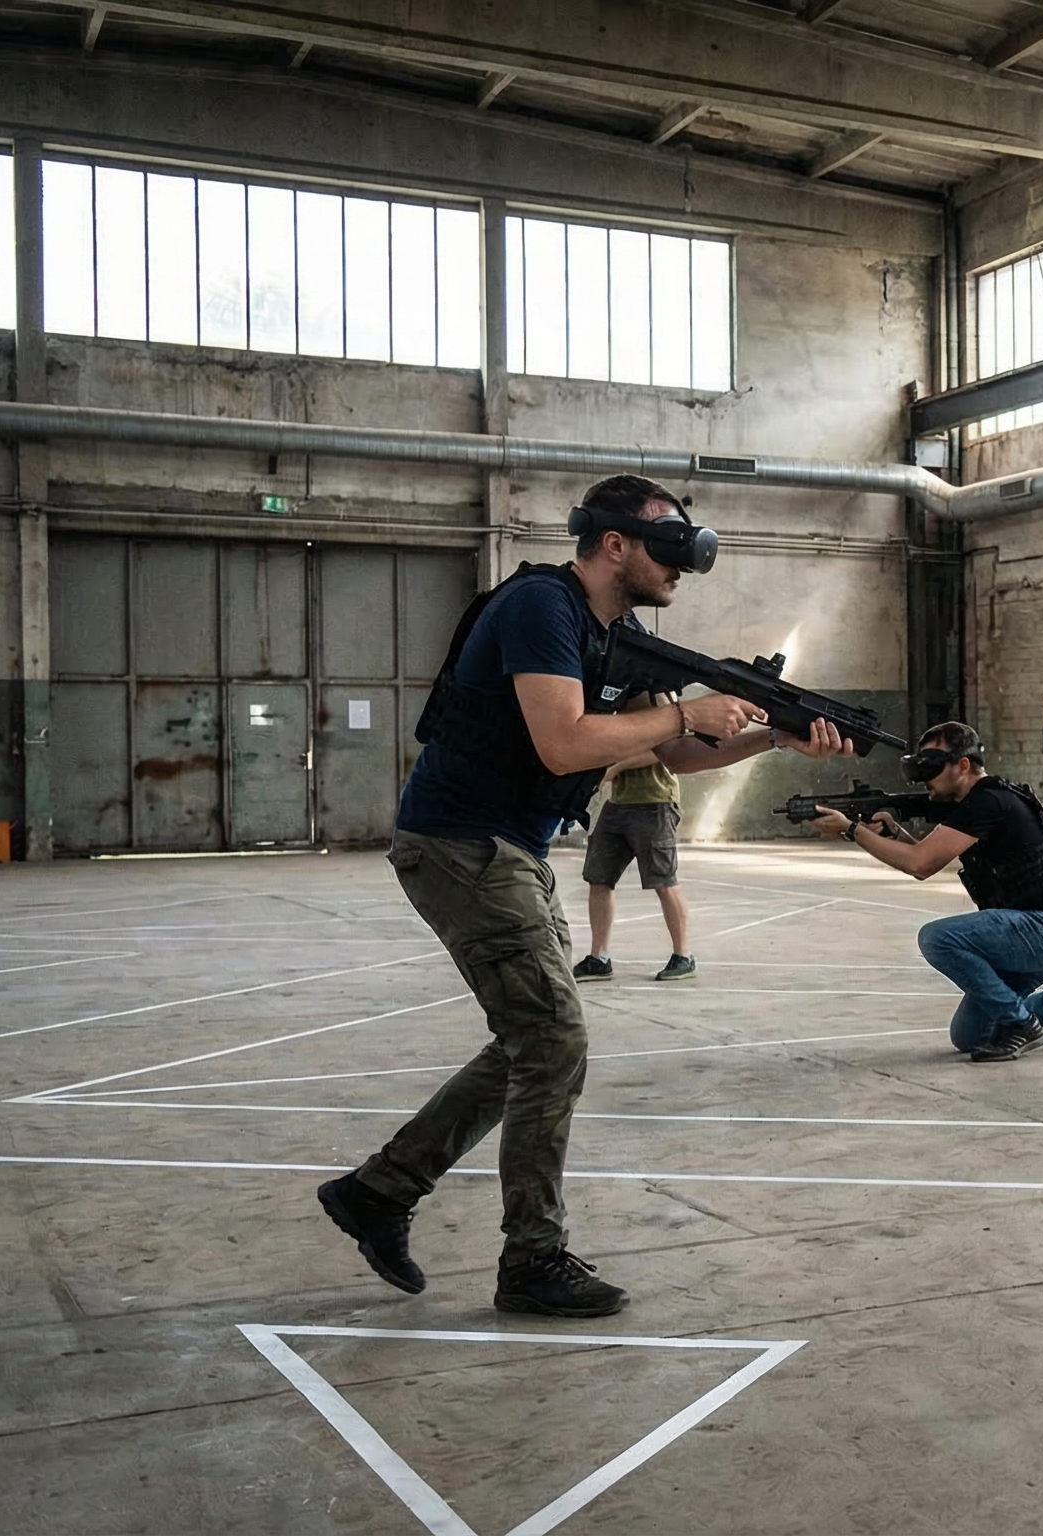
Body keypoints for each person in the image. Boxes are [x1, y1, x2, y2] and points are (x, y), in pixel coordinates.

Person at [314, 474, 848, 1319]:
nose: (681, 569)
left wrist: (772, 739)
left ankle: (379, 1191)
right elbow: (565, 743)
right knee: (553, 1038)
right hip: (461, 842)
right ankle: (531, 1260)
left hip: (511, 849)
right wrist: (686, 714)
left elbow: (670, 757)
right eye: (667, 549)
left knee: (532, 1041)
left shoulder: (620, 633)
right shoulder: (542, 609)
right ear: (613, 546)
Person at [806, 722, 1043, 1063]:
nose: (927, 780)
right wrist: (891, 833)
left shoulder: (988, 802)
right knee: (970, 1035)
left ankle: (1023, 1025)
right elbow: (926, 858)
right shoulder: (977, 802)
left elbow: (920, 865)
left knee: (937, 938)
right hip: (1033, 930)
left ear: (964, 765)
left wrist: (852, 830)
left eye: (934, 767)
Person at [573, 747, 693, 982]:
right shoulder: (614, 715)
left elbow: (663, 751)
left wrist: (615, 767)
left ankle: (684, 956)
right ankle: (599, 958)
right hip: (615, 803)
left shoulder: (662, 712)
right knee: (599, 877)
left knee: (663, 881)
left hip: (656, 803)